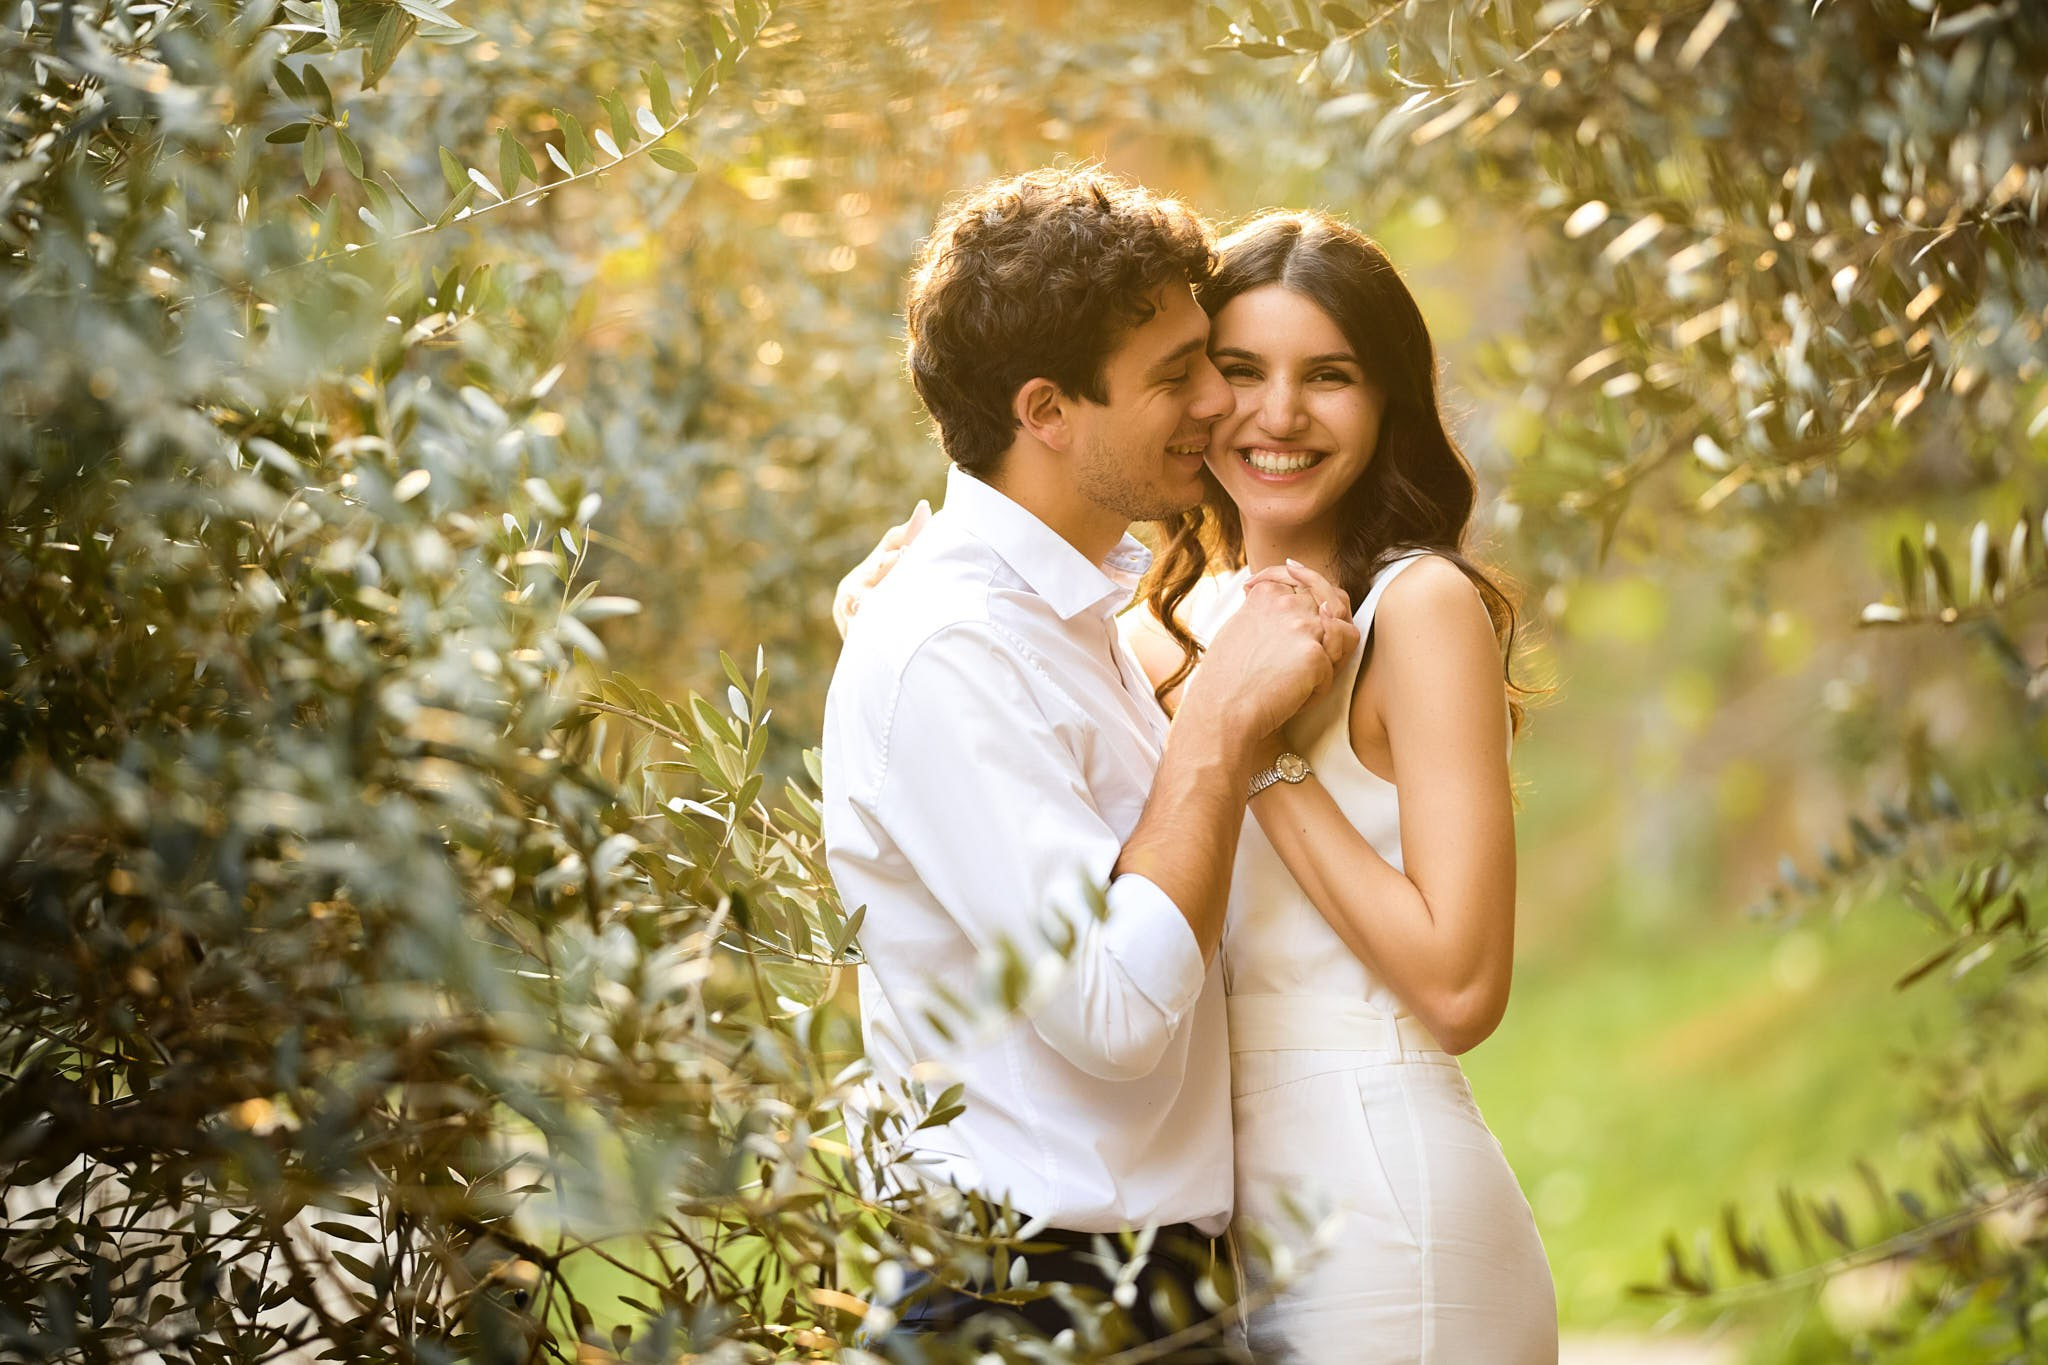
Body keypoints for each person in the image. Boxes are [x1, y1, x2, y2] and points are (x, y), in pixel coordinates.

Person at [840, 207, 1558, 1362]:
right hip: (1211, 1241)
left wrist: (1264, 753)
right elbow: (1006, 770)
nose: (1268, 415)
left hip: (1374, 1196)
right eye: (1226, 371)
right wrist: (888, 636)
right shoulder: (1149, 637)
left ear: (1386, 404)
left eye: (1327, 375)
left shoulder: (1413, 607)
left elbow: (1464, 989)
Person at [820, 170, 1359, 1357]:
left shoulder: (1057, 626)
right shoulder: (953, 647)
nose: (1219, 402)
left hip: (1140, 1298)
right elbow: (1108, 1011)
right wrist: (1218, 725)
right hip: (1028, 1308)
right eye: (1176, 375)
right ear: (1046, 410)